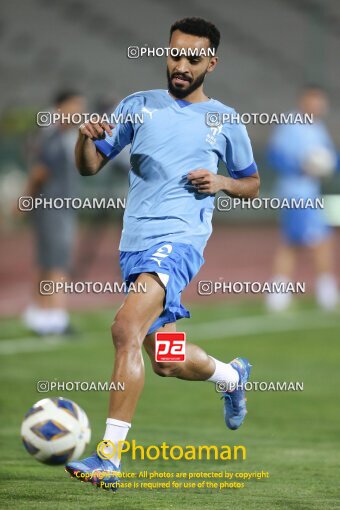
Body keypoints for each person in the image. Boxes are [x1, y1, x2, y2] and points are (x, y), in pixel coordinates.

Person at [65, 17, 260, 490]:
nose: (181, 64)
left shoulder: (226, 119)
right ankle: (231, 376)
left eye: (194, 57)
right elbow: (90, 168)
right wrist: (85, 137)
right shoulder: (139, 106)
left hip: (180, 242)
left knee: (124, 327)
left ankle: (108, 457)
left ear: (211, 62)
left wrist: (222, 182)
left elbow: (251, 184)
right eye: (175, 54)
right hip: (134, 245)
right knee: (165, 358)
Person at [266, 85, 338, 312]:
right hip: (296, 194)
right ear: (305, 100)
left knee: (294, 242)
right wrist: (301, 166)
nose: (319, 106)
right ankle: (325, 290)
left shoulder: (317, 127)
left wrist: (327, 166)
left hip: (309, 193)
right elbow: (275, 156)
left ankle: (280, 292)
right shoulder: (291, 125)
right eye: (315, 100)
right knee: (318, 240)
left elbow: (330, 158)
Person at [22, 91, 85, 335]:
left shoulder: (61, 135)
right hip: (54, 209)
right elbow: (39, 172)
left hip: (55, 209)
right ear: (60, 106)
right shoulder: (53, 136)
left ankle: (39, 314)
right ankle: (57, 318)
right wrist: (25, 200)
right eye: (75, 105)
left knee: (47, 263)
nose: (79, 111)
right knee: (58, 263)